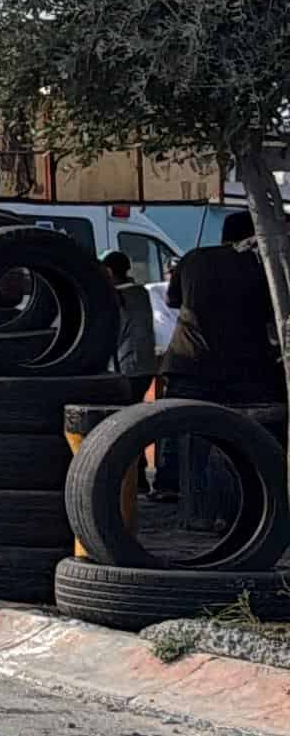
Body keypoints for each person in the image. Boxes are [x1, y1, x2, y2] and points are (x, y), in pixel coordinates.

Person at [158, 212, 285, 534]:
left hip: (187, 359)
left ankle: (182, 501)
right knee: (240, 438)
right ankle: (238, 506)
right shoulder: (260, 265)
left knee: (187, 434)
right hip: (244, 366)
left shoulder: (193, 258)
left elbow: (173, 300)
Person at [104, 250, 159, 384]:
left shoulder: (113, 297)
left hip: (125, 367)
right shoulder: (142, 293)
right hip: (147, 365)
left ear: (109, 271)